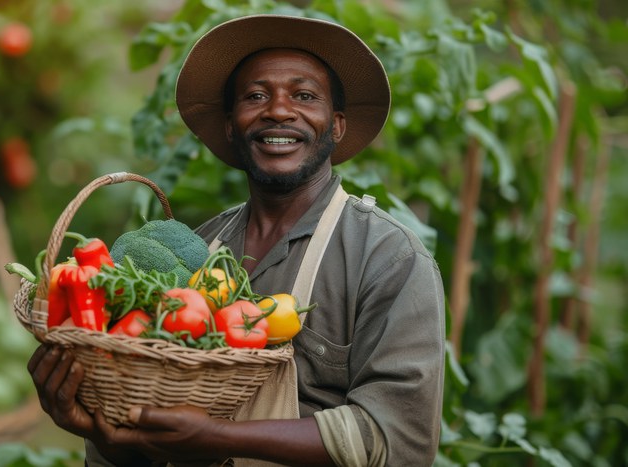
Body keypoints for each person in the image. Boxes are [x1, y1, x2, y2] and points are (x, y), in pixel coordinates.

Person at [27, 14, 445, 467]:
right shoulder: (199, 248)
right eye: (256, 96)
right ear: (231, 125)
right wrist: (100, 431)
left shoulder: (386, 257)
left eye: (304, 96)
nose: (279, 110)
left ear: (337, 125)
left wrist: (221, 438)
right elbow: (144, 437)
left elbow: (399, 441)